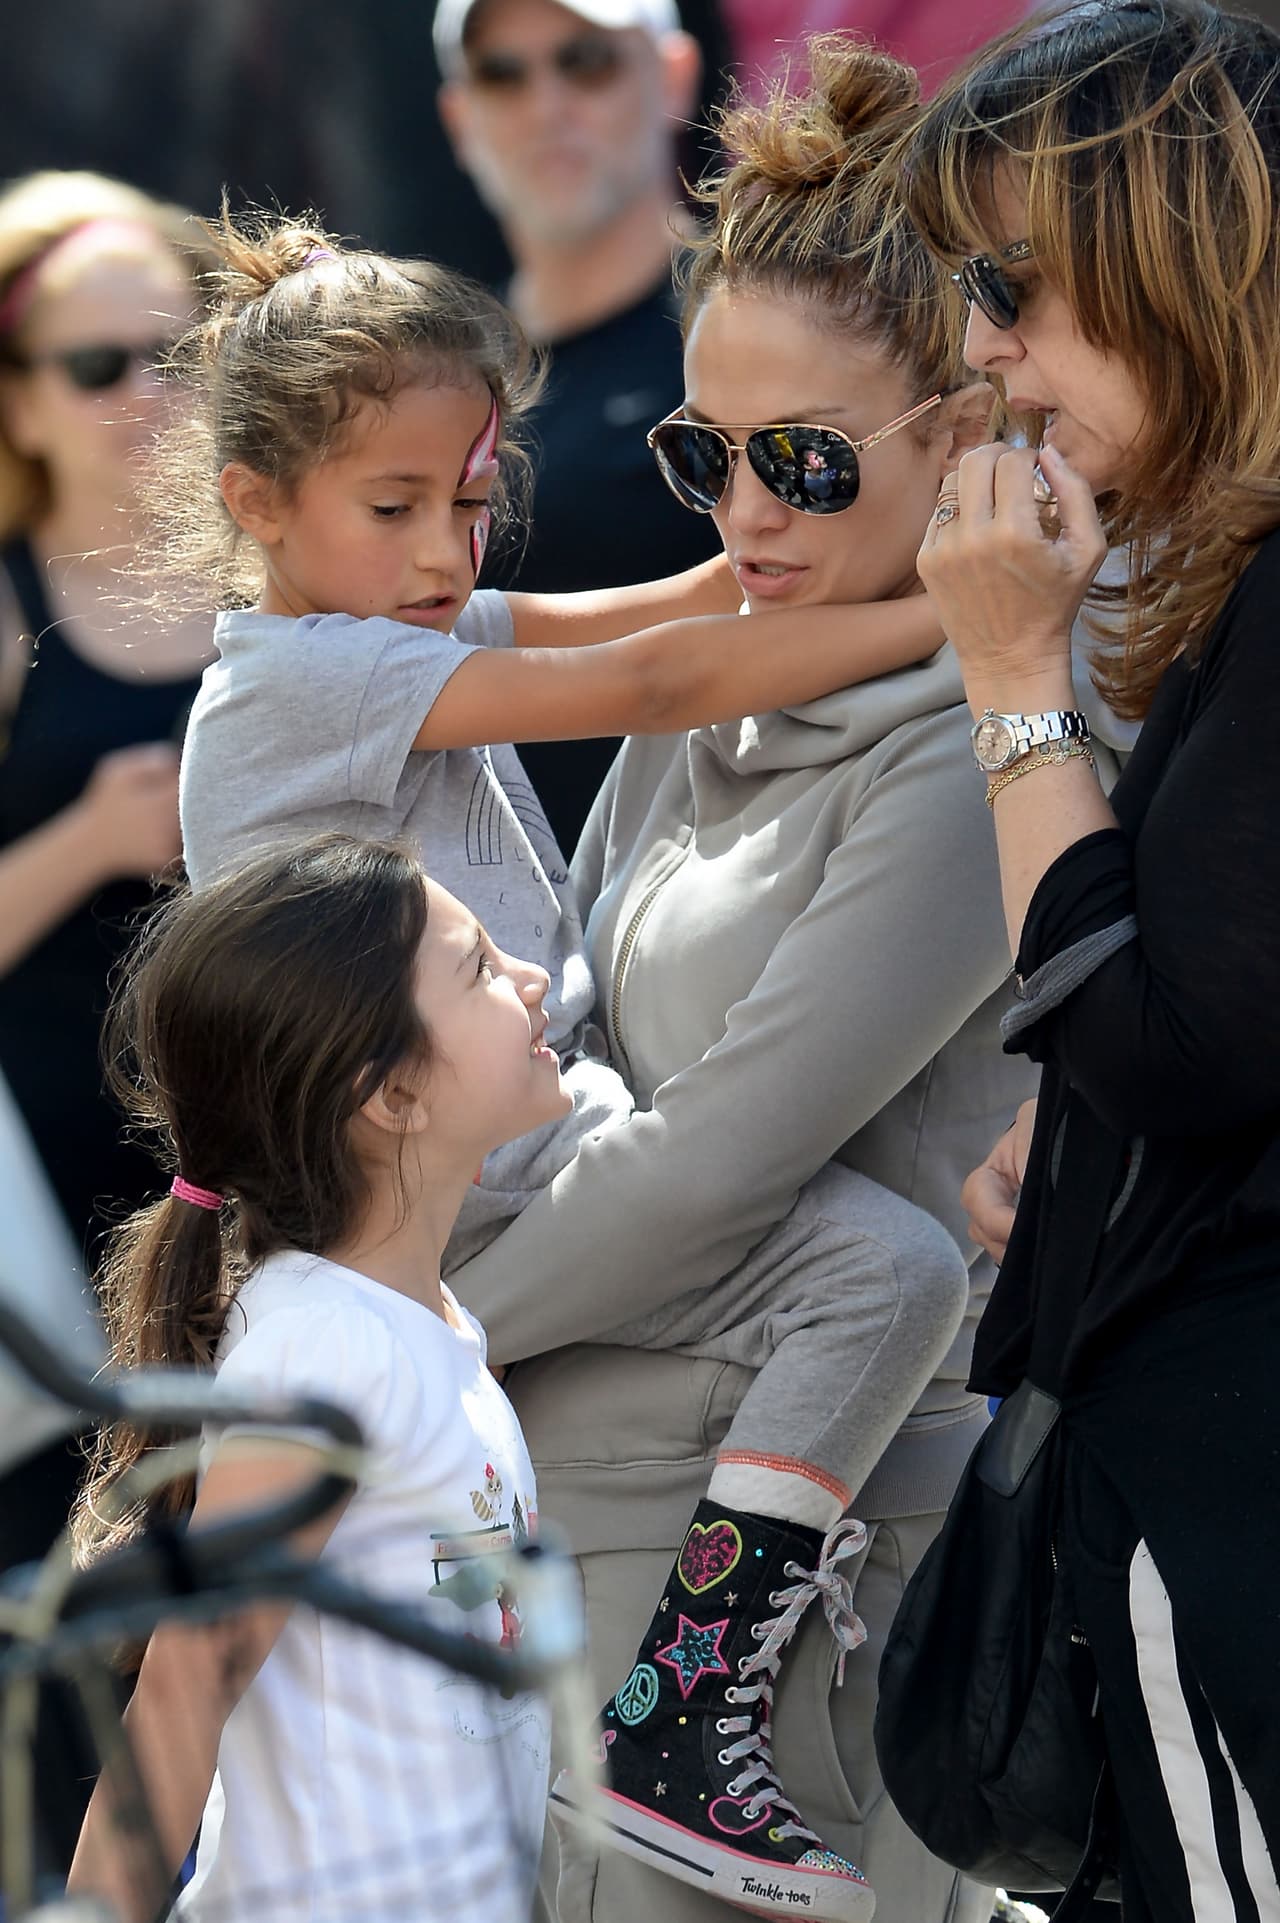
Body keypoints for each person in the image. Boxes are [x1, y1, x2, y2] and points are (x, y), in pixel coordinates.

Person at [168, 212, 1001, 1920]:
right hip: (431, 1179)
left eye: (470, 502)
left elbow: (685, 600)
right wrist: (962, 632)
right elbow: (669, 666)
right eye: (391, 507)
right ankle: (693, 1694)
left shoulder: (403, 620)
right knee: (887, 1264)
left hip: (508, 1179)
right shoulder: (303, 679)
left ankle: (694, 1679)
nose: (439, 549)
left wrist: (965, 591)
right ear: (255, 502)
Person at [443, 38, 1085, 1923]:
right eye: (698, 454)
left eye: (802, 459)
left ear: (970, 433)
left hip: (786, 1629)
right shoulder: (735, 654)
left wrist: (415, 1340)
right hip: (563, 1555)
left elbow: (722, 1156)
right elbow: (557, 1028)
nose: (744, 513)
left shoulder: (987, 749)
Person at [895, 2, 1280, 1917]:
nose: (981, 344)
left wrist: (1010, 677)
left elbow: (1183, 1048)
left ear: (1181, 252)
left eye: (1014, 279)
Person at [63, 834, 567, 1923]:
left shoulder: (421, 1328)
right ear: (389, 1095)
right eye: (477, 967)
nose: (528, 977)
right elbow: (181, 1696)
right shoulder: (324, 1349)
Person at [435, 0, 722, 849]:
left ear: (674, 74)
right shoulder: (434, 367)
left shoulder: (760, 321)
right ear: (459, 117)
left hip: (720, 883)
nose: (546, 103)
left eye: (586, 60)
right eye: (502, 74)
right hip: (490, 937)